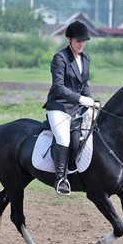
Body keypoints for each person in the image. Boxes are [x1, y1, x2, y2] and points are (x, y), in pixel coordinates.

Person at [43, 20, 95, 196]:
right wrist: (80, 98)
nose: (81, 44)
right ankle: (60, 179)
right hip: (59, 106)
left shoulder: (86, 58)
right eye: (78, 41)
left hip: (77, 107)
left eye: (83, 41)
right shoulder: (60, 58)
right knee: (64, 138)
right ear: (70, 40)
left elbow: (84, 83)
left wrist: (90, 101)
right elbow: (58, 87)